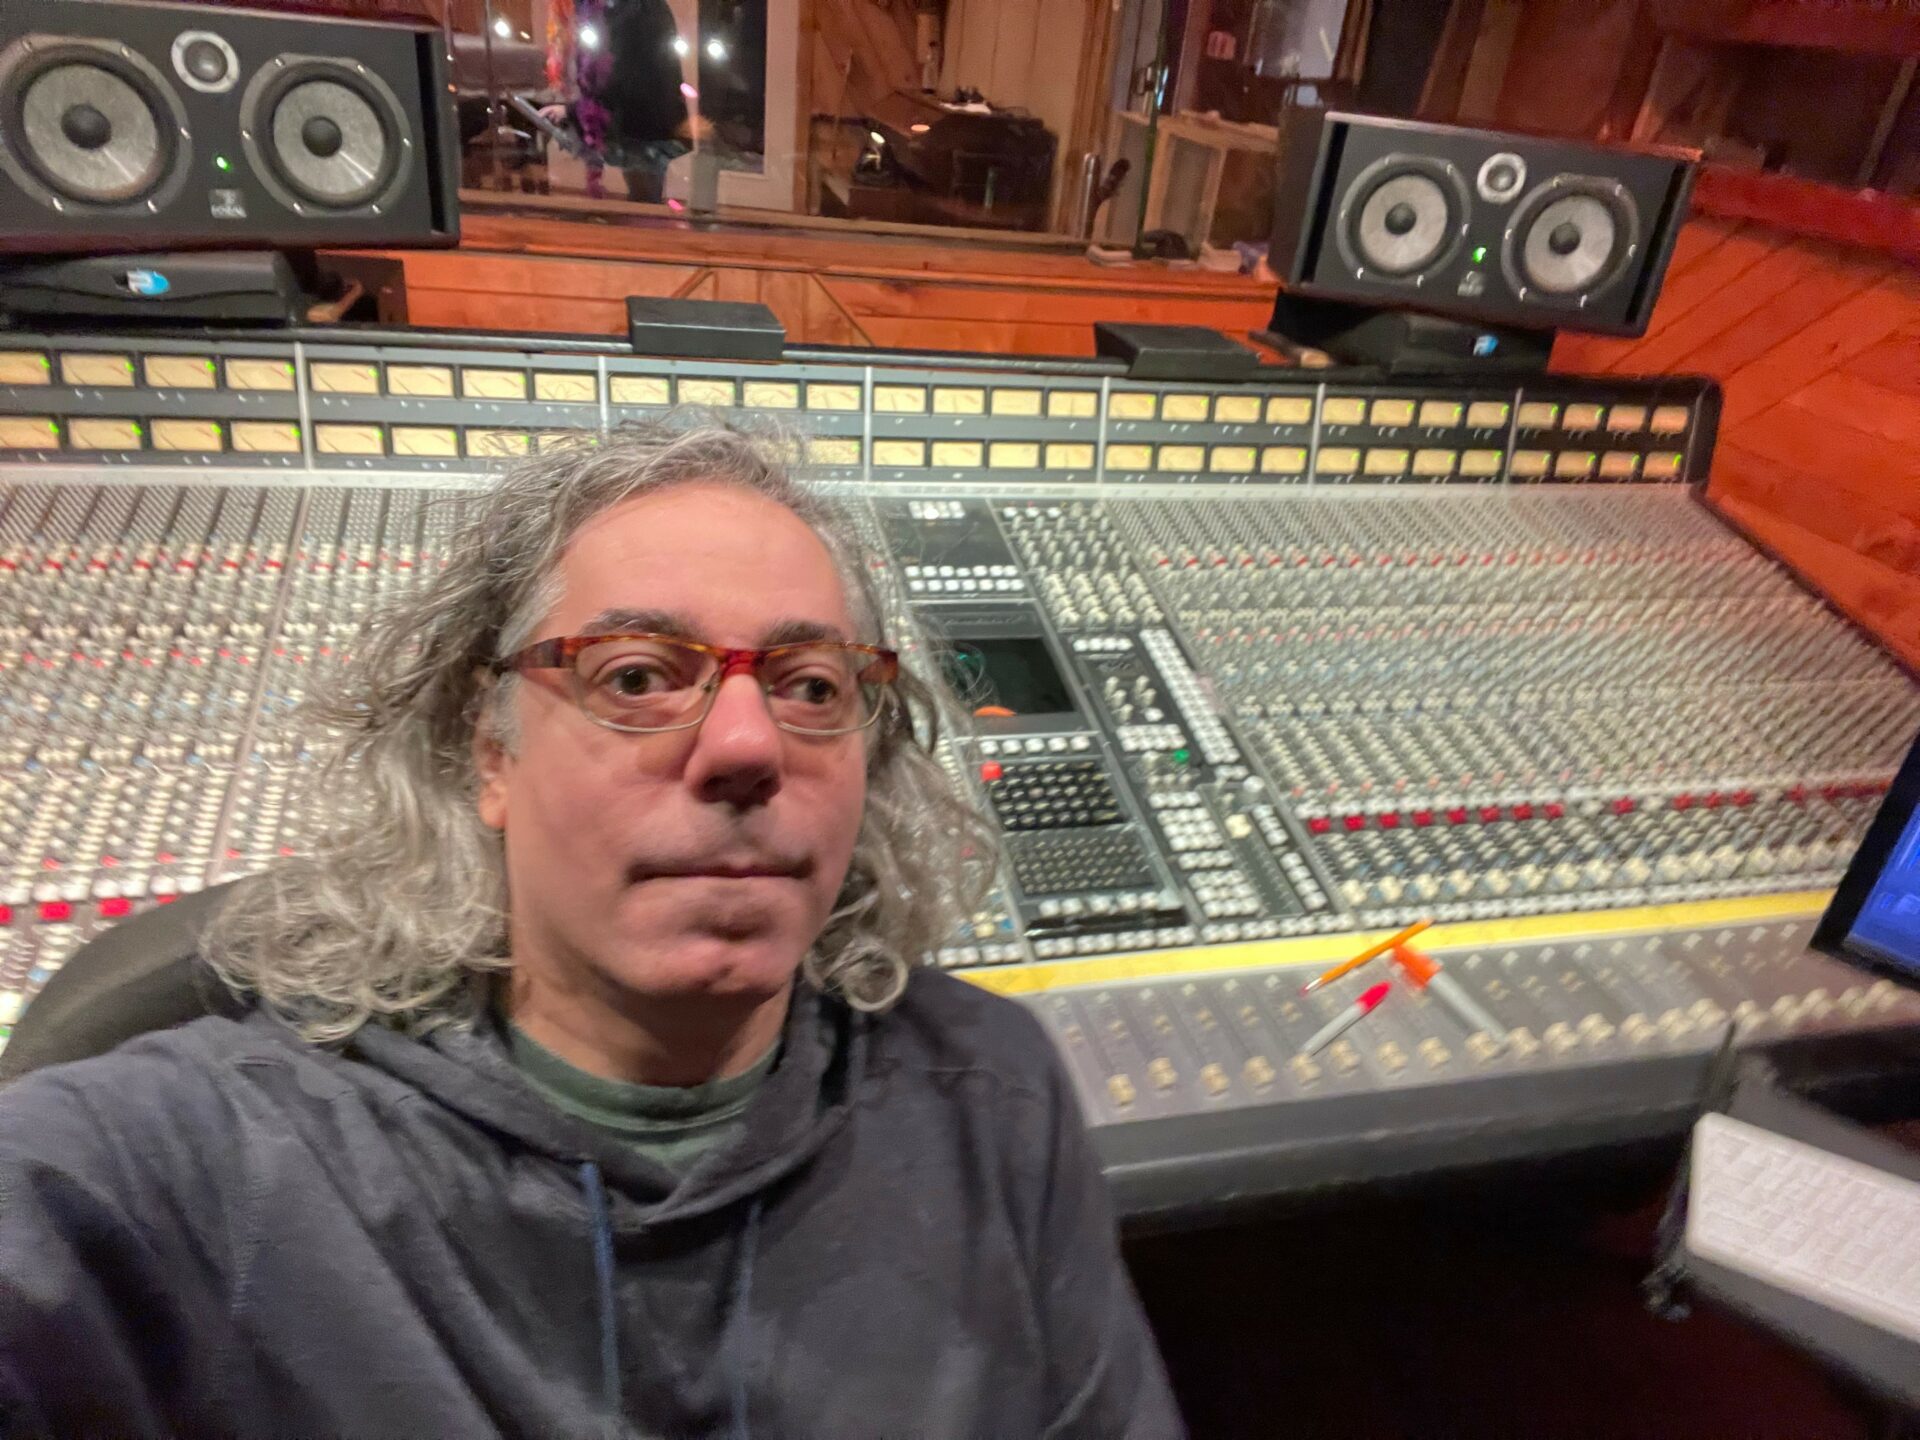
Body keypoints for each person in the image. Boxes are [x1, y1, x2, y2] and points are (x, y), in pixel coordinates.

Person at [0, 423, 1184, 1437]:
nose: (747, 744)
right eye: (635, 677)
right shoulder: (173, 1165)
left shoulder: (993, 1097)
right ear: (490, 753)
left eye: (811, 686)